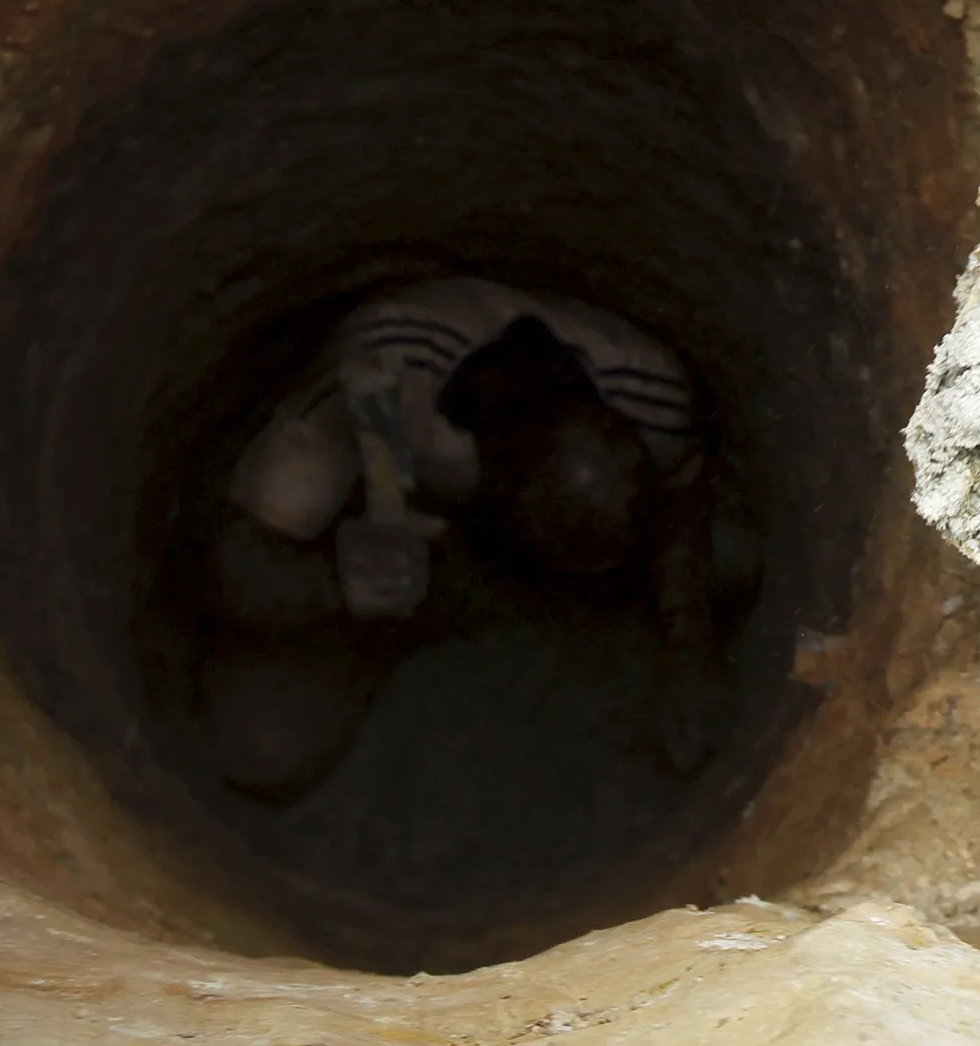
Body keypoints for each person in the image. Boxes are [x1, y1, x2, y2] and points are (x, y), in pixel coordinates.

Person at [201, 277, 717, 798]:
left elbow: (683, 497)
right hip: (400, 556)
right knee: (264, 742)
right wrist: (337, 585)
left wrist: (688, 643)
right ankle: (395, 640)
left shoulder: (650, 399)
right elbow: (232, 563)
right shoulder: (374, 388)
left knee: (737, 557)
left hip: (485, 553)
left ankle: (551, 607)